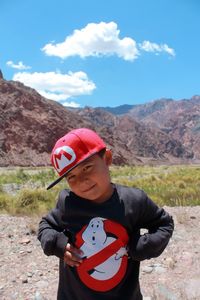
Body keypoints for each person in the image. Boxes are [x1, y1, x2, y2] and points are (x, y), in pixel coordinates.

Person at [38, 127, 174, 300]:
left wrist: (144, 246)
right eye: (71, 176)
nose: (81, 181)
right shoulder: (67, 203)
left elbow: (164, 224)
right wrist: (57, 243)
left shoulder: (134, 200)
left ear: (107, 158)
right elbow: (45, 226)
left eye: (87, 167)